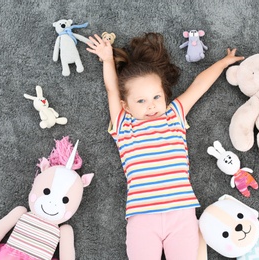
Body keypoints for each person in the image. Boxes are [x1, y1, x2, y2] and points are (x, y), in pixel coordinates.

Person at [86, 32, 244, 260]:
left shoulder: (174, 115)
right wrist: (107, 59)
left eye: (156, 97)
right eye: (141, 101)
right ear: (126, 106)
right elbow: (112, 89)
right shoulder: (123, 124)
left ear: (165, 96)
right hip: (141, 216)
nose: (150, 106)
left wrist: (223, 63)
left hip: (181, 212)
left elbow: (199, 86)